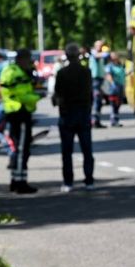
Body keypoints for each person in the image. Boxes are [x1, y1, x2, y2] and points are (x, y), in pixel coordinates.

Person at [51, 42, 95, 192]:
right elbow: (90, 94)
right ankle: (89, 180)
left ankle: (68, 182)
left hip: (67, 114)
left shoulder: (62, 73)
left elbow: (58, 94)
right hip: (83, 113)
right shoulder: (86, 72)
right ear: (78, 55)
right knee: (87, 149)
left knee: (67, 151)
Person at [0, 48, 40, 194]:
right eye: (29, 61)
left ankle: (15, 180)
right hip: (20, 112)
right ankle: (20, 183)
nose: (30, 64)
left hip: (14, 112)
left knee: (18, 148)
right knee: (22, 149)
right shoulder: (17, 73)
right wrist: (37, 97)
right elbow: (23, 94)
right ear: (22, 59)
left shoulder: (11, 70)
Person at [89, 40, 109, 127]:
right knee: (96, 100)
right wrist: (105, 53)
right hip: (95, 80)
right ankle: (93, 121)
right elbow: (97, 56)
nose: (100, 47)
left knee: (99, 101)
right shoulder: (94, 53)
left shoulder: (101, 54)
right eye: (99, 46)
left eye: (102, 46)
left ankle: (97, 120)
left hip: (100, 79)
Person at [102, 52, 126, 126]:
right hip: (114, 87)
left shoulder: (120, 65)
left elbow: (123, 74)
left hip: (121, 86)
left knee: (119, 103)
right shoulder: (109, 66)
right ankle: (114, 120)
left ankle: (116, 119)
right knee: (114, 104)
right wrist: (112, 83)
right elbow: (108, 75)